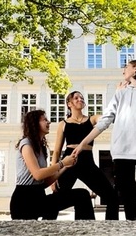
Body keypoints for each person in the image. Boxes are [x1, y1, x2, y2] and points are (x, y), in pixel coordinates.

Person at [73, 59, 136, 221]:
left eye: (126, 67)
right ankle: (134, 230)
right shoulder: (120, 93)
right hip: (121, 154)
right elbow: (105, 120)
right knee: (128, 198)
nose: (123, 71)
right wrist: (83, 143)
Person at [10, 109, 95, 220]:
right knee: (76, 197)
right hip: (24, 202)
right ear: (34, 123)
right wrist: (62, 163)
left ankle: (85, 230)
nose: (49, 122)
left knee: (82, 195)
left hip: (39, 197)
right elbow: (38, 175)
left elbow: (44, 182)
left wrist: (66, 166)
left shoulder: (41, 148)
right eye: (44, 120)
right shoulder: (26, 144)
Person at [51, 91, 119, 220]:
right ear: (69, 104)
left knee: (112, 196)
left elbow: (104, 119)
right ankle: (46, 223)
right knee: (57, 196)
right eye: (76, 98)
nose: (80, 99)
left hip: (87, 162)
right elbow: (57, 152)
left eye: (82, 98)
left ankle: (111, 226)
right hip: (69, 162)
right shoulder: (63, 124)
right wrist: (53, 176)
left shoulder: (92, 119)